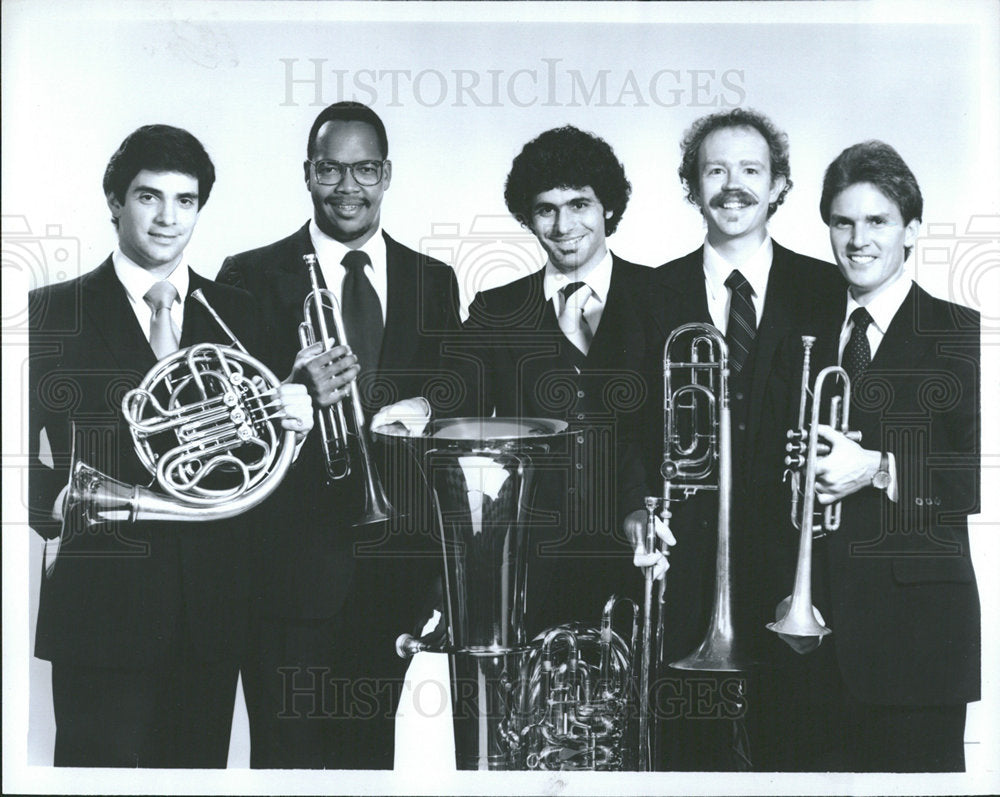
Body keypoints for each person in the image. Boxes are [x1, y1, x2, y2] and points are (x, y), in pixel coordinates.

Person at [27, 124, 317, 767]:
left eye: (185, 201)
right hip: (101, 611)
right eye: (148, 196)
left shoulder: (242, 313)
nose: (167, 217)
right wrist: (65, 506)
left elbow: (264, 461)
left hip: (211, 615)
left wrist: (294, 416)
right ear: (114, 201)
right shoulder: (50, 312)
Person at [217, 101, 468, 769]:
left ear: (386, 175)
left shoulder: (432, 280)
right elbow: (226, 413)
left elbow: (456, 392)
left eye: (364, 170)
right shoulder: (248, 273)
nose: (347, 187)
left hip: (394, 568)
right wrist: (286, 388)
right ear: (308, 173)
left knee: (367, 763)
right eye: (331, 169)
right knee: (285, 759)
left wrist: (425, 402)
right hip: (283, 569)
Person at [623, 108, 845, 771]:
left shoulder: (827, 289)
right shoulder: (647, 291)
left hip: (796, 578)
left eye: (751, 170)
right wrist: (636, 505)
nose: (733, 186)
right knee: (689, 762)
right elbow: (621, 423)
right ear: (692, 186)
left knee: (799, 757)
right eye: (715, 170)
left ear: (779, 185)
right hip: (688, 575)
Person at [759, 140, 980, 771]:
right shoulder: (797, 337)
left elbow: (977, 475)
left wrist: (878, 467)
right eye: (843, 222)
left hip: (915, 643)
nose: (858, 239)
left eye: (877, 221)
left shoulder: (961, 335)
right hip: (802, 637)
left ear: (910, 230)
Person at [464, 125, 656, 638]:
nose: (564, 224)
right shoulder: (496, 311)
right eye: (546, 209)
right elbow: (449, 400)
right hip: (531, 562)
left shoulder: (663, 293)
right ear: (529, 218)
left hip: (642, 554)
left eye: (579, 205)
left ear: (607, 208)